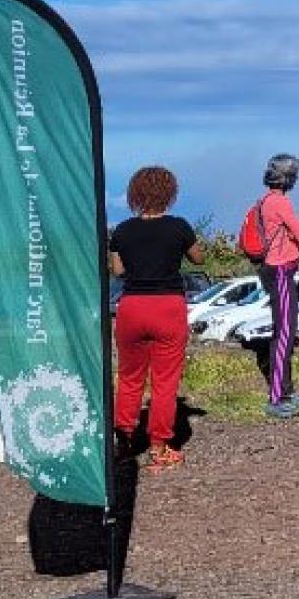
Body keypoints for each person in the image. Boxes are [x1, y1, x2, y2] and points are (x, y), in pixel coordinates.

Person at [108, 166, 204, 471]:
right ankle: (159, 446)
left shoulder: (122, 231)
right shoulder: (179, 227)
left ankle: (122, 439)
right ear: (170, 194)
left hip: (132, 306)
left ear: (135, 195)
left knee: (130, 377)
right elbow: (198, 257)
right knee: (164, 381)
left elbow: (118, 271)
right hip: (167, 306)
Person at [257, 153, 299, 419]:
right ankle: (277, 396)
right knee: (285, 333)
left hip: (271, 267)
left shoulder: (265, 201)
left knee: (282, 330)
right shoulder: (281, 203)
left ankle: (285, 390)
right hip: (281, 269)